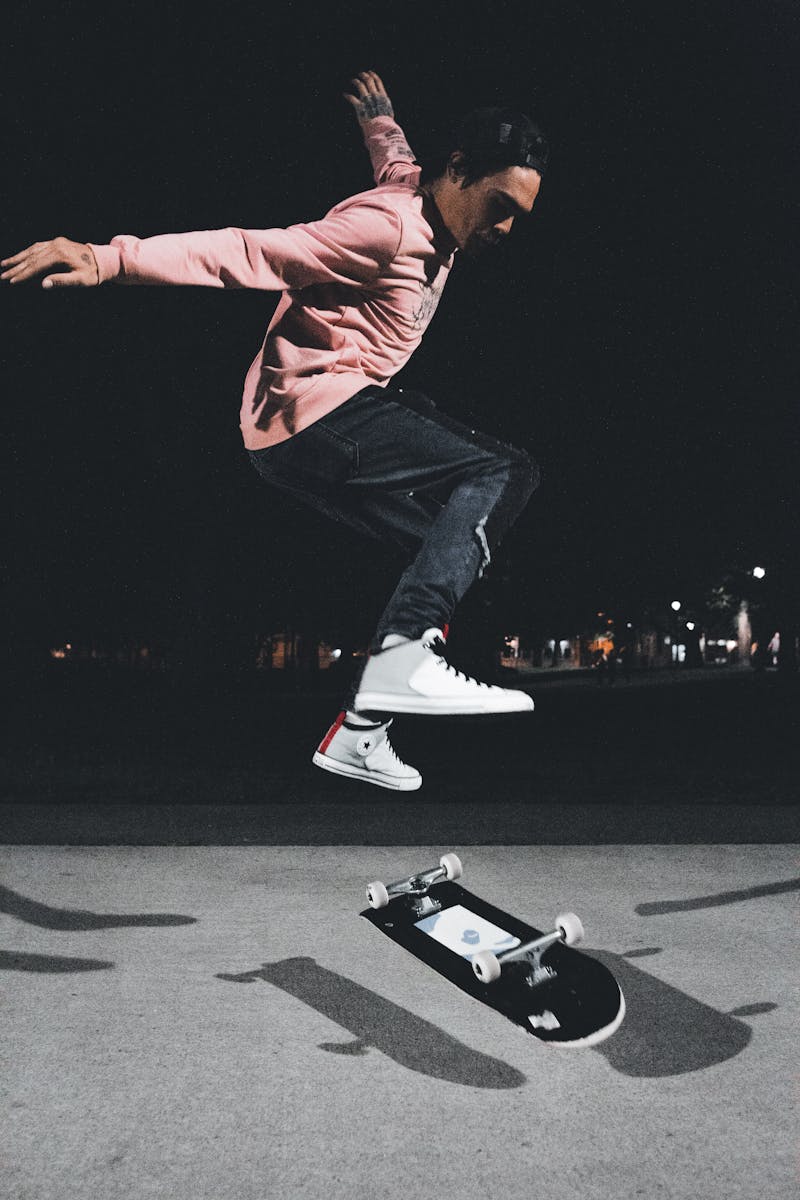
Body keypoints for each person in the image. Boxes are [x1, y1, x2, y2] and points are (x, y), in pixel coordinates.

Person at [1, 70, 549, 793]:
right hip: (319, 411)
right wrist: (111, 258)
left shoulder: (422, 188)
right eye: (499, 206)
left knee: (449, 549)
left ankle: (360, 735)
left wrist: (378, 121)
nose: (505, 229)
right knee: (501, 474)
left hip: (280, 441)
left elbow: (394, 159)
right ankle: (404, 660)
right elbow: (249, 252)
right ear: (459, 173)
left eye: (519, 216)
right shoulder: (383, 230)